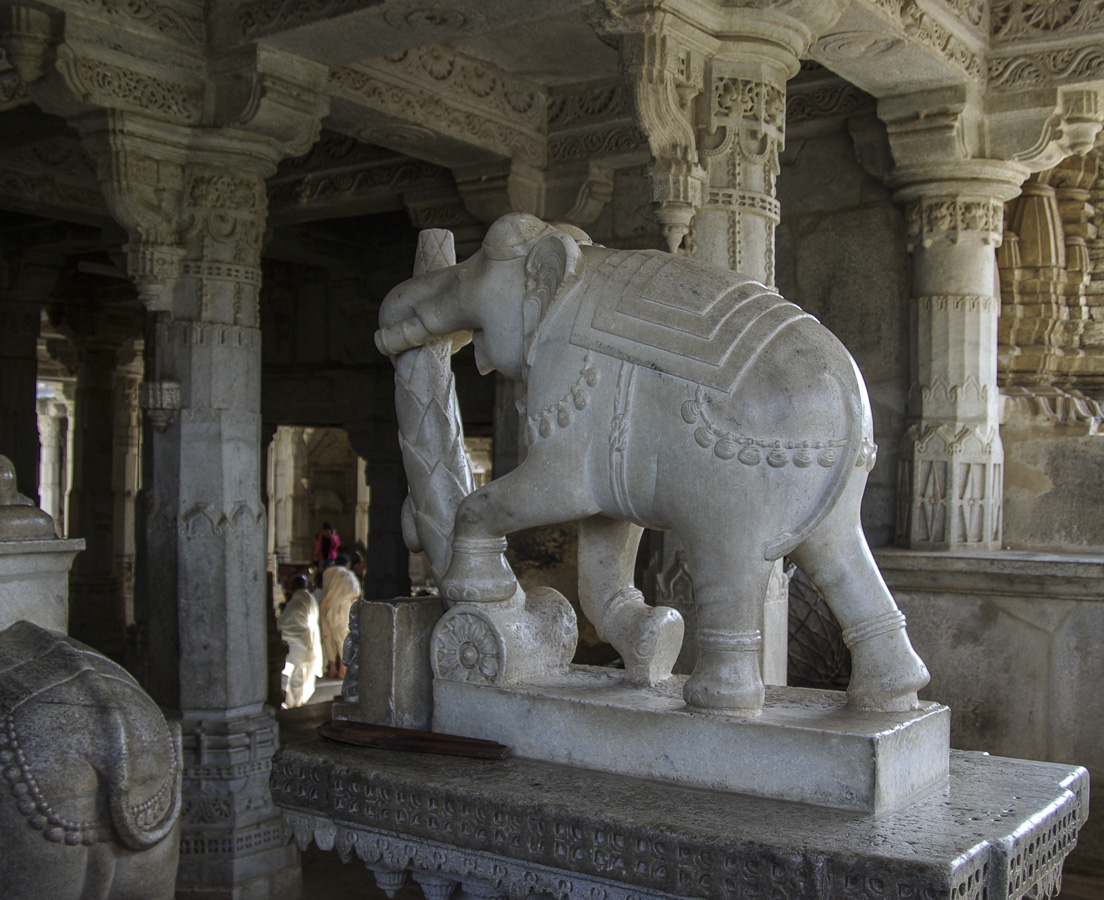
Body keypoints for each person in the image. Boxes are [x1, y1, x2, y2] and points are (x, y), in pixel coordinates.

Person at [276, 575, 323, 708]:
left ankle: (295, 704)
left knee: (297, 675)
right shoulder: (307, 597)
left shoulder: (300, 599)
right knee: (299, 674)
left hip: (300, 643)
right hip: (305, 641)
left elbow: (287, 622)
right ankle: (295, 702)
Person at [318, 553, 361, 679]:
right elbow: (355, 590)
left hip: (326, 608)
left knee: (328, 637)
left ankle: (332, 668)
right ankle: (343, 670)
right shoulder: (346, 574)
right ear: (347, 564)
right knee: (342, 638)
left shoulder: (327, 573)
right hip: (341, 610)